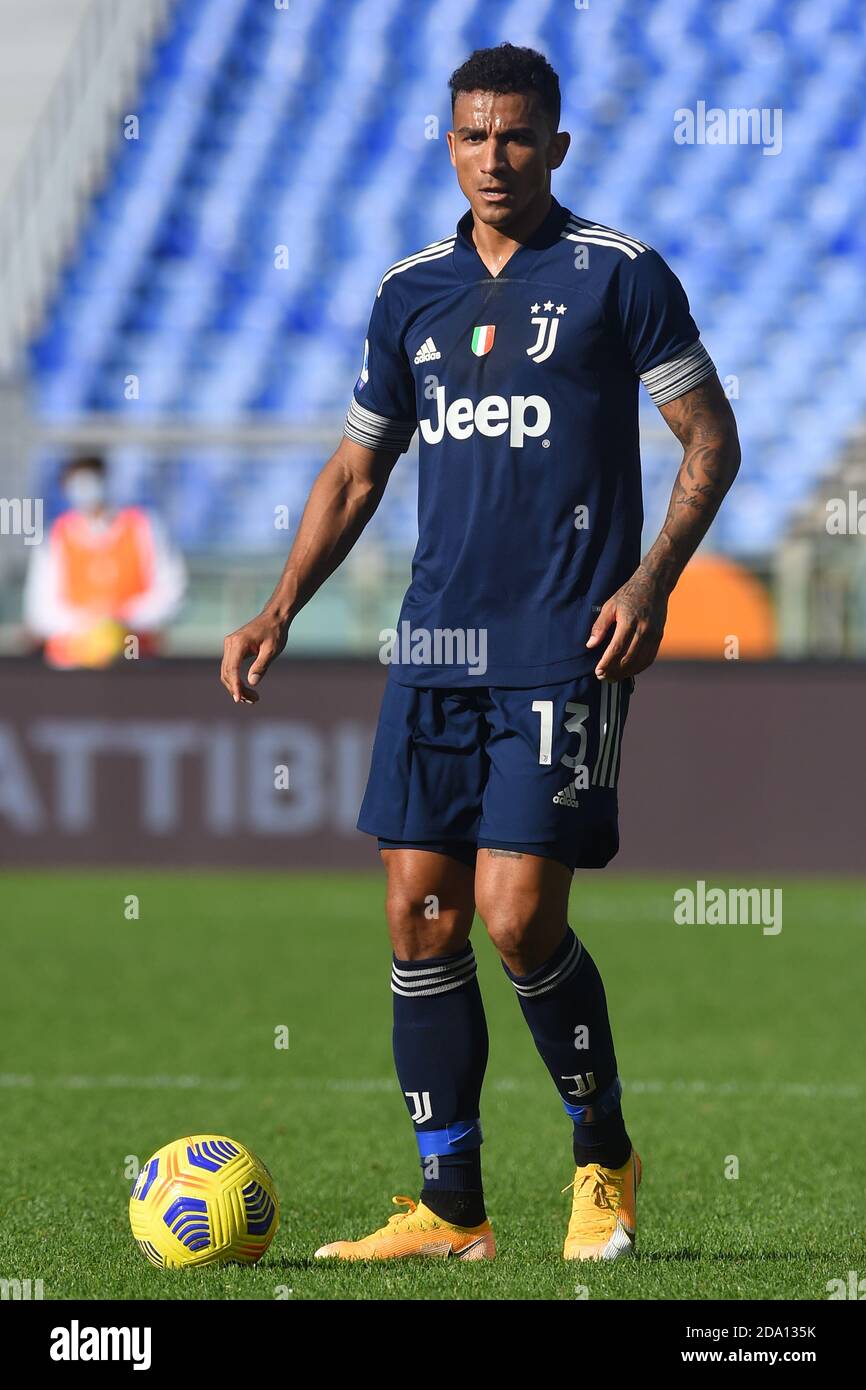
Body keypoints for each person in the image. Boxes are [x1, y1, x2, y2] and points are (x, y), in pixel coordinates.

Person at [221, 43, 740, 1262]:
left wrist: (650, 582)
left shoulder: (618, 276)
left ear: (555, 145)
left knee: (513, 921)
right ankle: (451, 1208)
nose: (492, 157)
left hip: (565, 651)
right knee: (419, 917)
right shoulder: (409, 292)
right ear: (445, 143)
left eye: (515, 137)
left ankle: (600, 1156)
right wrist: (277, 606)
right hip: (433, 650)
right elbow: (357, 469)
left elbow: (708, 439)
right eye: (471, 135)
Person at [24, 454, 186, 668]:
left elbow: (171, 592)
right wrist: (89, 625)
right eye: (77, 483)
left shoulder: (143, 527)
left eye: (90, 480)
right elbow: (41, 610)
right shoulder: (55, 536)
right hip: (71, 665)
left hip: (137, 659)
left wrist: (121, 620)